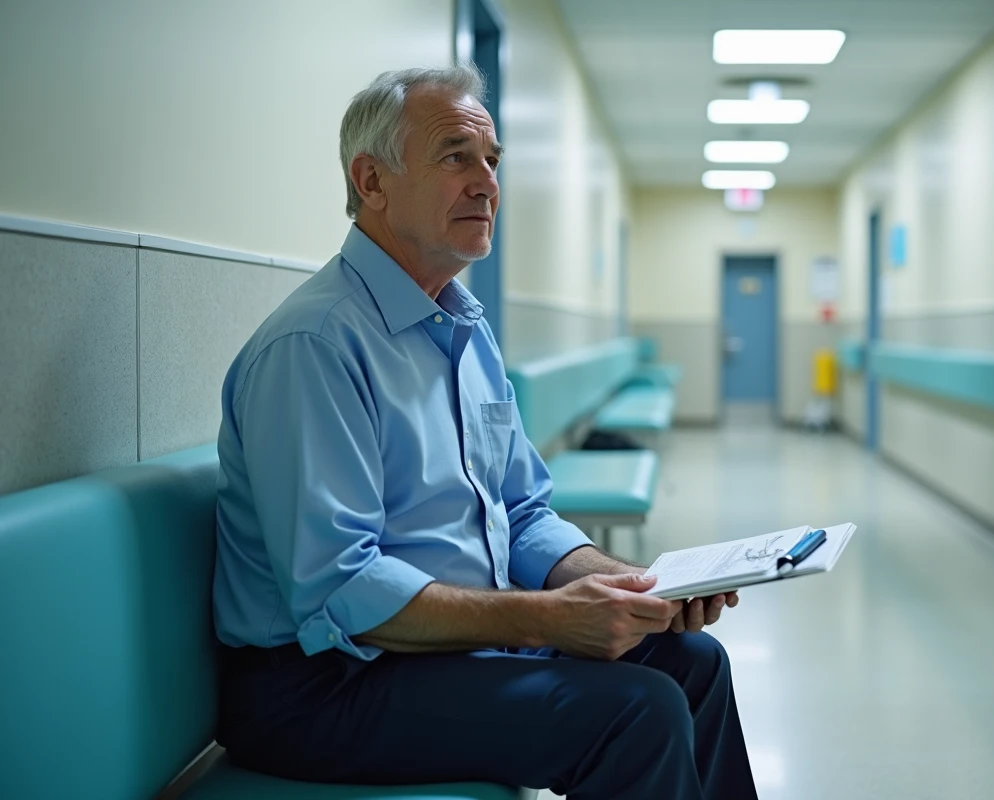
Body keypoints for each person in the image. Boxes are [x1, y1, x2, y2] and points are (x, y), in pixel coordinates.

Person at [211, 65, 758, 800]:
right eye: (454, 156)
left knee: (692, 661)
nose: (487, 184)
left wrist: (630, 589)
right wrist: (547, 621)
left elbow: (523, 512)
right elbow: (338, 588)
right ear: (370, 181)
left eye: (492, 161)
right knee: (638, 712)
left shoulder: (463, 331)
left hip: (442, 654)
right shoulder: (315, 345)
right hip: (322, 687)